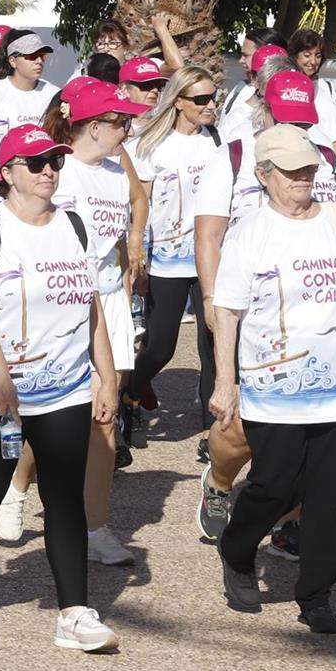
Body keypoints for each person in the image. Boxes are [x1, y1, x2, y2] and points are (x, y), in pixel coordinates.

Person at [0, 124, 119, 650]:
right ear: (6, 174)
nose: (49, 171)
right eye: (36, 163)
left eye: (55, 162)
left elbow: (90, 307)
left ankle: (73, 613)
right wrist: (0, 378)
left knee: (63, 493)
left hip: (65, 386)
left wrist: (107, 375)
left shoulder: (75, 226)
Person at [209, 125, 336, 635]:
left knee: (327, 496)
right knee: (273, 485)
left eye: (308, 168)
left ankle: (316, 595)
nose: (304, 178)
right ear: (264, 176)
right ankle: (237, 549)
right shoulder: (249, 233)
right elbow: (227, 312)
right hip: (273, 387)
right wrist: (226, 382)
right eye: (291, 172)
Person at [0, 78, 148, 566]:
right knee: (55, 413)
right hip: (65, 303)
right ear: (90, 124)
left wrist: (128, 273)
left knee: (105, 419)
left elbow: (122, 230)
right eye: (118, 120)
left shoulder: (115, 172)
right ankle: (17, 491)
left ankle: (95, 527)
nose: (127, 126)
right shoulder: (59, 174)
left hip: (109, 301)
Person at [124, 64, 221, 453]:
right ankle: (126, 397)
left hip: (210, 258)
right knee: (160, 345)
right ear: (178, 102)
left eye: (214, 97)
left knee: (213, 342)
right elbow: (139, 206)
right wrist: (138, 256)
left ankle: (214, 430)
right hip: (166, 259)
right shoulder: (150, 145)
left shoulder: (218, 141)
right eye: (200, 99)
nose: (210, 105)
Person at [0, 32, 59, 218]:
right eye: (32, 56)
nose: (39, 61)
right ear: (13, 61)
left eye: (42, 55)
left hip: (35, 196)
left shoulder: (54, 94)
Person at [287, 28, 336, 159]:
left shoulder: (325, 87)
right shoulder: (283, 86)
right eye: (307, 55)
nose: (313, 62)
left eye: (318, 55)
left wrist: (334, 171)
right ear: (294, 55)